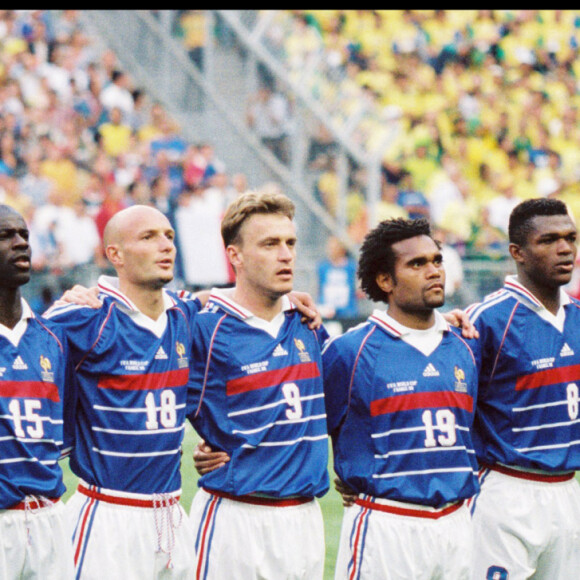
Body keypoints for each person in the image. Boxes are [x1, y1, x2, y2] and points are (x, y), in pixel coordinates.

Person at [44, 205, 203, 579]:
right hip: (108, 514)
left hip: (172, 515)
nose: (165, 246)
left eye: (169, 236)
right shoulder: (86, 316)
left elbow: (223, 301)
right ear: (115, 254)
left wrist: (290, 298)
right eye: (148, 237)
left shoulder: (183, 312)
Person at [323, 217, 480, 579]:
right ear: (385, 281)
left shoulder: (466, 345)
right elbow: (313, 422)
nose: (433, 271)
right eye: (417, 264)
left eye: (436, 260)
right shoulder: (350, 351)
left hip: (458, 524)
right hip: (387, 524)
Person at [186, 190, 330, 579]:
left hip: (305, 520)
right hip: (236, 519)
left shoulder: (308, 324)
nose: (286, 255)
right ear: (236, 256)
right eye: (270, 244)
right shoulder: (205, 328)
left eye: (290, 243)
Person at [465, 197, 580, 579]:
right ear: (518, 252)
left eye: (570, 238)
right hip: (505, 490)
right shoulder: (486, 320)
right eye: (548, 240)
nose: (564, 249)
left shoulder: (578, 317)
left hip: (567, 490)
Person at [0, 204, 74, 579]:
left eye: (24, 235)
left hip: (50, 520)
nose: (20, 244)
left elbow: (62, 435)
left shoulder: (53, 339)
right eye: (5, 236)